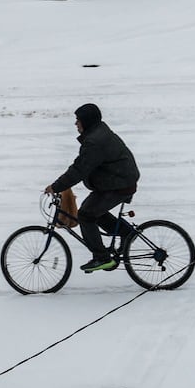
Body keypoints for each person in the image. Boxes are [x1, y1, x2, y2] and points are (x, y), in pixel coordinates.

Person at [45, 103, 140, 273]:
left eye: (78, 120)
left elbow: (79, 170)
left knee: (86, 215)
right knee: (96, 212)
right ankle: (127, 233)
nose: (76, 124)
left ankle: (102, 258)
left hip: (119, 183)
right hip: (117, 180)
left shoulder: (95, 141)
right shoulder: (97, 135)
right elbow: (81, 165)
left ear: (86, 122)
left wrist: (56, 186)